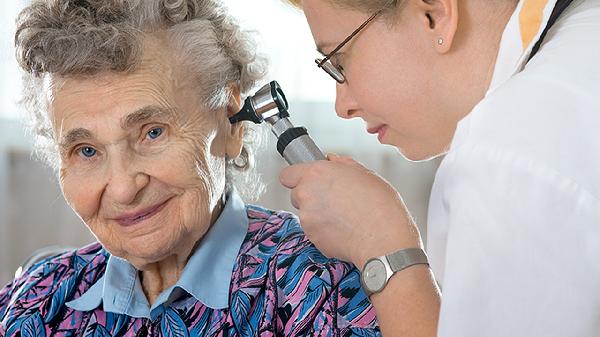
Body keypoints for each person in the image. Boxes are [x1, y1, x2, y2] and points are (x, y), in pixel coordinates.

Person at [0, 1, 381, 336]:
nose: (121, 188)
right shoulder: (36, 301)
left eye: (152, 132)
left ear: (232, 121)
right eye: (86, 151)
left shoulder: (320, 285)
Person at [279, 0, 600, 336]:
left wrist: (383, 244)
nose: (342, 106)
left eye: (338, 62)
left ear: (435, 16)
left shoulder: (505, 156)